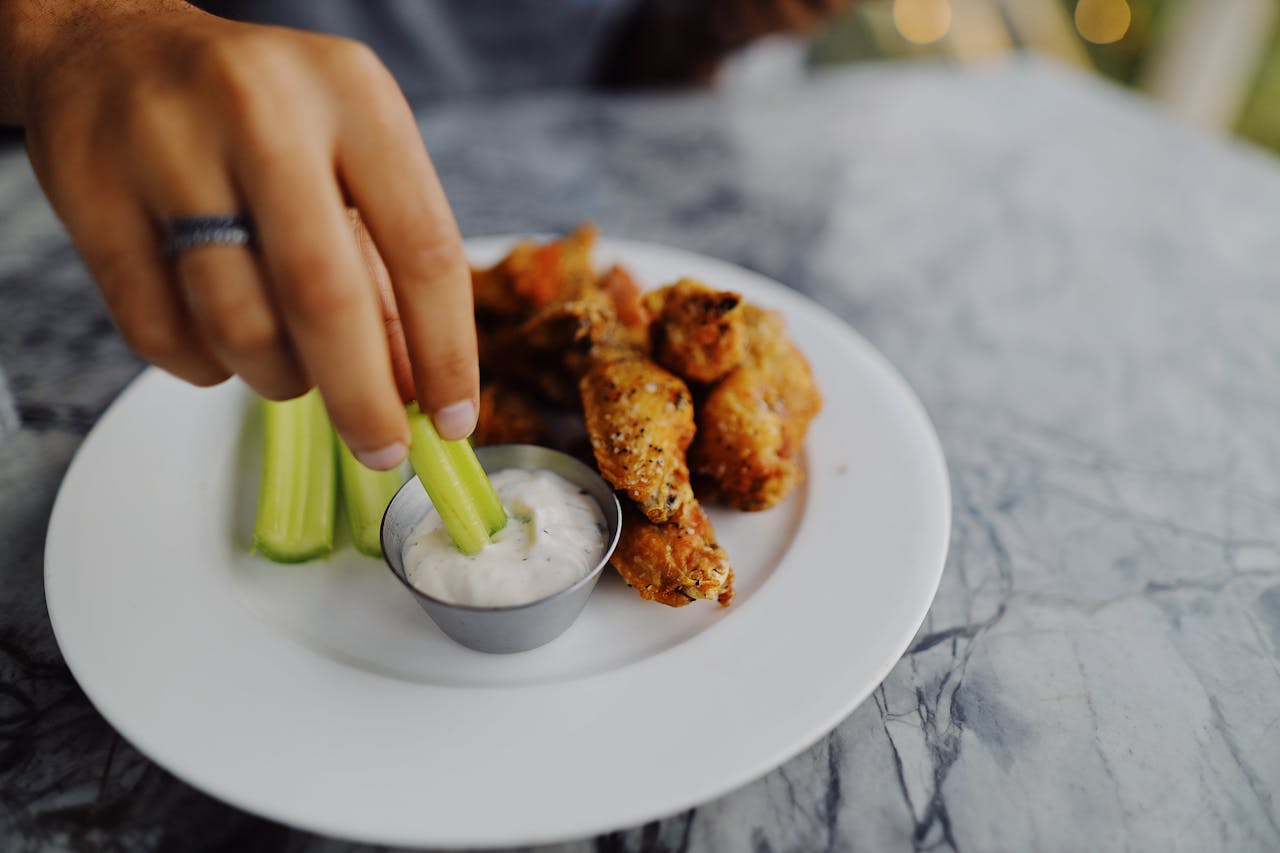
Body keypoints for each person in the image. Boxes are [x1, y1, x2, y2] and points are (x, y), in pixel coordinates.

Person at [0, 0, 842, 469]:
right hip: (231, 150)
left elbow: (665, 39)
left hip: (632, 126)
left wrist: (706, 25)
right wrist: (74, 25)